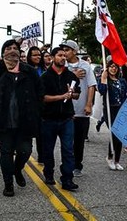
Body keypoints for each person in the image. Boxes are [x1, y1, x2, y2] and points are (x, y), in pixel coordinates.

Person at [0, 39, 44, 197]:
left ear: (20, 53)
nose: (12, 50)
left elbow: (40, 91)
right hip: (2, 119)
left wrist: (37, 109)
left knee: (25, 151)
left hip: (25, 120)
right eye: (9, 48)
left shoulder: (29, 71)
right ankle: (8, 184)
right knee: (6, 152)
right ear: (3, 52)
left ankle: (17, 169)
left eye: (15, 48)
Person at [40, 47, 80, 190]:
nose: (63, 58)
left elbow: (77, 94)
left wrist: (72, 93)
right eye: (60, 55)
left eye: (64, 55)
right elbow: (43, 98)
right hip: (48, 119)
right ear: (52, 57)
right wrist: (62, 97)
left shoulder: (70, 76)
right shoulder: (45, 77)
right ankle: (48, 173)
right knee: (48, 149)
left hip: (66, 118)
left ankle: (67, 179)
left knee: (68, 149)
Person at [60, 40, 95, 177]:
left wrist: (88, 104)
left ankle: (77, 165)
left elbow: (91, 85)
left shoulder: (85, 66)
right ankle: (67, 164)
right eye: (63, 50)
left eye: (67, 50)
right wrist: (73, 73)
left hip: (81, 110)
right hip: (66, 110)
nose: (65, 53)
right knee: (66, 140)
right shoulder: (62, 66)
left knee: (79, 141)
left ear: (74, 51)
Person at [97, 56, 127, 171]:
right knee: (114, 134)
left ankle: (117, 161)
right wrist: (103, 79)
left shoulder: (122, 81)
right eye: (111, 66)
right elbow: (102, 91)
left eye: (115, 67)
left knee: (120, 135)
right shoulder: (105, 80)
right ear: (107, 68)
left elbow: (126, 95)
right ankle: (110, 157)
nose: (113, 69)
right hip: (110, 110)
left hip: (121, 109)